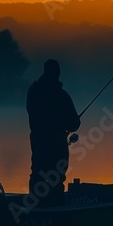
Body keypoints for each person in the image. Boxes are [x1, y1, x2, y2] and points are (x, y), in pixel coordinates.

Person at [26, 59, 80, 206]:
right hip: (57, 143)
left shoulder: (33, 91)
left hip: (37, 141)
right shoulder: (62, 96)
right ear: (57, 73)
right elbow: (75, 123)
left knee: (37, 172)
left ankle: (34, 205)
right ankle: (55, 206)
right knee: (56, 175)